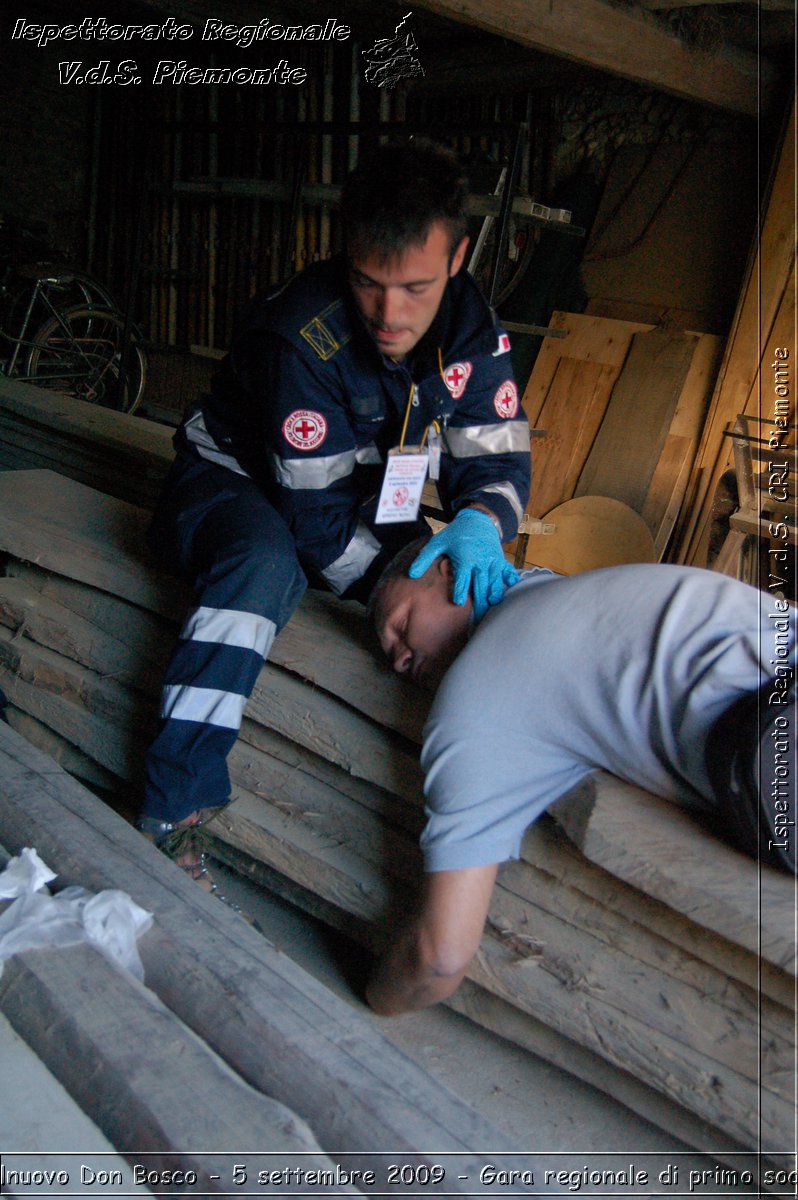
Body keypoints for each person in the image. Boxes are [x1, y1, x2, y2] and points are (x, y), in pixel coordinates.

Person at [137, 140, 531, 878]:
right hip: (236, 481)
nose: (389, 313)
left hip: (357, 493)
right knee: (264, 567)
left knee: (458, 579)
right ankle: (172, 808)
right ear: (344, 254)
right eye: (368, 283)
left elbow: (499, 456)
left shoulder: (475, 329)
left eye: (415, 287)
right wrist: (396, 578)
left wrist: (483, 520)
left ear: (459, 256)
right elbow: (312, 521)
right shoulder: (305, 337)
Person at [365, 539, 797, 1015]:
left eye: (402, 626)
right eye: (394, 661)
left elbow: (438, 959)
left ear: (448, 569)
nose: (402, 659)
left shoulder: (481, 688)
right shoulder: (571, 587)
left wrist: (371, 1001)